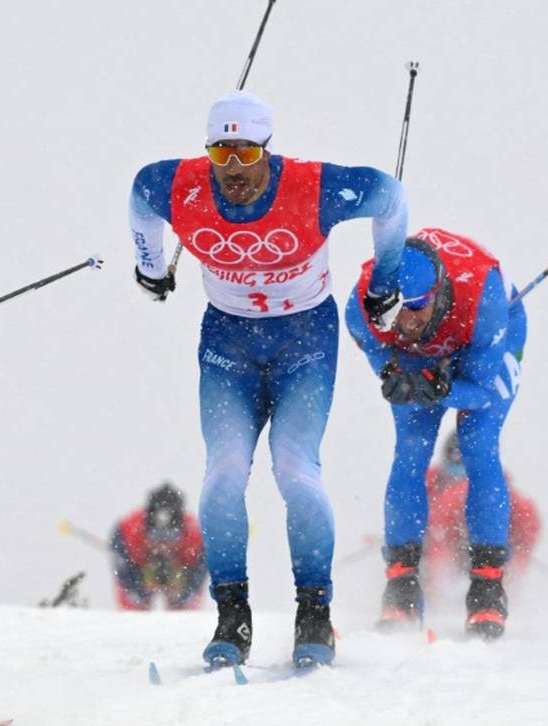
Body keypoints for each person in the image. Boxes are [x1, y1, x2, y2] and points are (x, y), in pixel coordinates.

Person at [128, 90, 409, 667]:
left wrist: (387, 280)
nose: (234, 169)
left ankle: (314, 611)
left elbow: (390, 195)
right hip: (228, 343)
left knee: (295, 469)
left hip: (304, 341)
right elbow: (139, 194)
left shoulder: (314, 186)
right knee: (224, 473)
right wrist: (149, 266)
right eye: (221, 153)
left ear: (267, 149)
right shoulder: (178, 185)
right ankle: (232, 613)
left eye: (247, 153)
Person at [345, 228, 526, 639]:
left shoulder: (485, 297)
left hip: (482, 338)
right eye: (395, 310)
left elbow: (480, 391)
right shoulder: (361, 304)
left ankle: (487, 589)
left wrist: (444, 388)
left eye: (418, 307)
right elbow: (375, 347)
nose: (407, 320)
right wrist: (391, 374)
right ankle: (402, 584)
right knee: (411, 449)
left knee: (477, 445)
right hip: (418, 357)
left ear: (438, 291)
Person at [423, 434, 541, 594]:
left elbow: (527, 524)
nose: (460, 468)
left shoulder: (498, 489)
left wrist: (515, 567)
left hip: (485, 547)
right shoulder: (429, 483)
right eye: (455, 457)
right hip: (449, 546)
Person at [110, 482, 206, 611]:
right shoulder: (127, 531)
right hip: (139, 570)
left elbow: (199, 577)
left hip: (182, 572)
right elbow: (123, 573)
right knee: (133, 606)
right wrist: (139, 592)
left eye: (171, 537)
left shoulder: (197, 536)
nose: (163, 545)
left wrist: (183, 595)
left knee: (186, 608)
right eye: (156, 536)